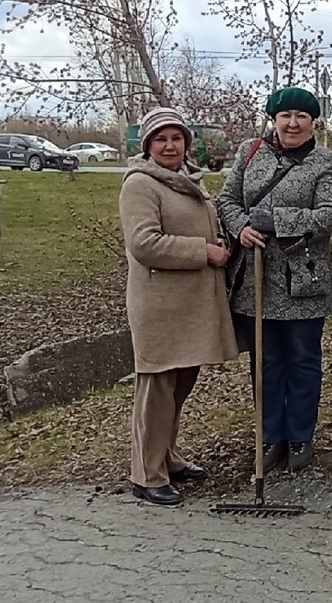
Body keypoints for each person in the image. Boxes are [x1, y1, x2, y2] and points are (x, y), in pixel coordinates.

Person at [218, 87, 332, 473]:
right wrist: (241, 229)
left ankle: (301, 436)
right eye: (285, 115)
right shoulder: (250, 152)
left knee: (303, 360)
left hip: (303, 280)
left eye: (301, 116)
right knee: (266, 361)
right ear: (274, 118)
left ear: (312, 122)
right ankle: (270, 435)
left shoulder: (325, 162)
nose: (292, 123)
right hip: (255, 277)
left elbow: (331, 215)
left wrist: (280, 222)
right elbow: (226, 200)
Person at [119, 107, 238, 506]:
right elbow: (144, 244)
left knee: (180, 386)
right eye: (160, 139)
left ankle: (167, 458)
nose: (170, 145)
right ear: (147, 146)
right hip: (159, 305)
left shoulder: (187, 180)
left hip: (190, 303)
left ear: (187, 143)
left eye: (176, 138)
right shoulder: (140, 184)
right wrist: (202, 251)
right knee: (157, 388)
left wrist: (220, 241)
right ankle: (146, 472)